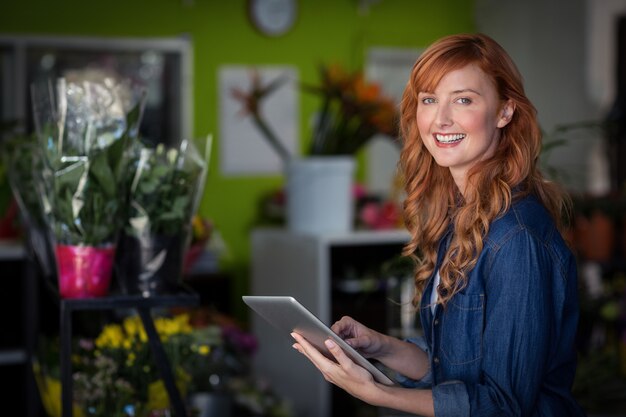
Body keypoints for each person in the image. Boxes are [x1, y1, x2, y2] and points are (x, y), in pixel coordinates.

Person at [290, 33, 586, 417]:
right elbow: (454, 369)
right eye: (429, 99)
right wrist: (381, 346)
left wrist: (380, 395)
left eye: (463, 100)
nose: (441, 119)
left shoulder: (515, 238)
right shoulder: (463, 217)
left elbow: (505, 406)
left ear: (504, 112)